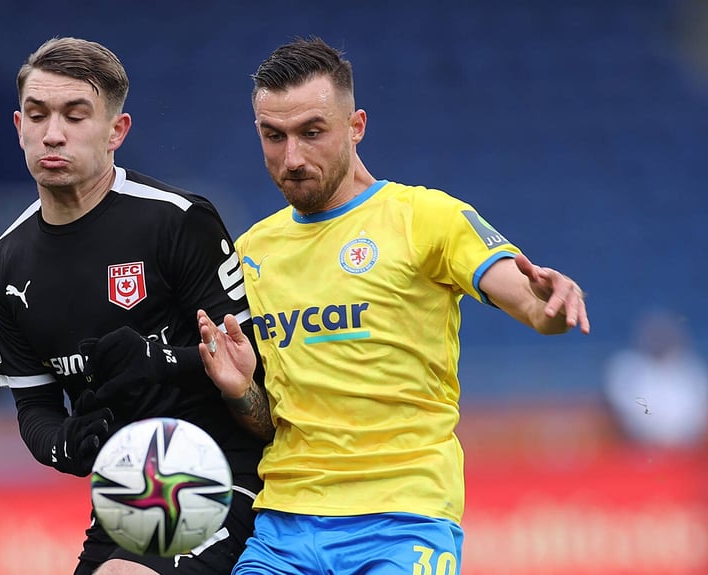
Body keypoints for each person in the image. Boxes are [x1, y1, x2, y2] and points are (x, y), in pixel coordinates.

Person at [196, 37, 591, 575]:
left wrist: (549, 306)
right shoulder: (250, 254)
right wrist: (242, 391)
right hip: (284, 524)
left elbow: (527, 299)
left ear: (356, 126)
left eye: (312, 133)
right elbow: (265, 424)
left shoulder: (425, 217)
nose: (292, 158)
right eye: (274, 136)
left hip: (403, 519)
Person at [0, 37, 269, 575]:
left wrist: (162, 362)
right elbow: (35, 408)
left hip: (219, 472)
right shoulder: (5, 262)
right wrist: (63, 445)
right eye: (37, 114)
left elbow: (255, 366)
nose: (52, 133)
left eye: (75, 115)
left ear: (117, 131)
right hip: (125, 493)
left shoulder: (179, 221)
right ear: (17, 126)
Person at [603, 309, 708, 449]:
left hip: (686, 448)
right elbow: (621, 410)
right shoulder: (628, 368)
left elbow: (701, 409)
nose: (661, 339)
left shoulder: (691, 368)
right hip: (641, 447)